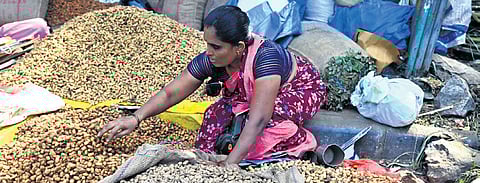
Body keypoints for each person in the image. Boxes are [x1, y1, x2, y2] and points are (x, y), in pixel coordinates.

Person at [98, 5, 327, 167]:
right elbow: (171, 92)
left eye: (216, 47)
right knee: (213, 120)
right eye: (207, 44)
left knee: (258, 126)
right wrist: (136, 118)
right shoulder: (214, 59)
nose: (209, 52)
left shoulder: (265, 58)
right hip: (252, 97)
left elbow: (259, 118)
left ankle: (302, 146)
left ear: (238, 47)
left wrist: (230, 163)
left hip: (297, 91)